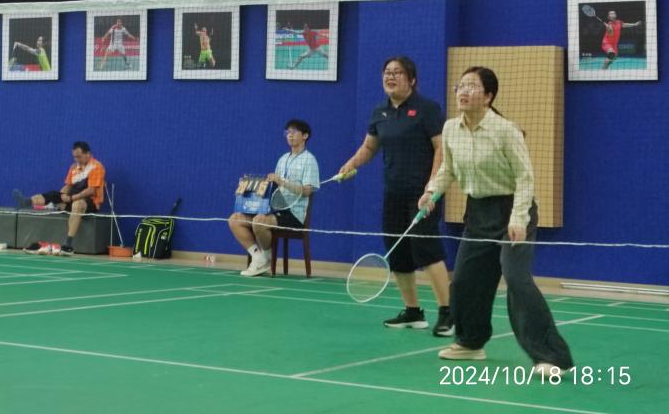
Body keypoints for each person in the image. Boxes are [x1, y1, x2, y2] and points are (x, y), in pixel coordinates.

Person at [419, 66, 573, 378]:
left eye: (472, 86)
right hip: (478, 212)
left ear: (488, 96)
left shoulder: (506, 130)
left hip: (514, 209)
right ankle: (471, 343)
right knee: (465, 280)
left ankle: (552, 357)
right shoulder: (450, 129)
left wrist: (518, 218)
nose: (463, 92)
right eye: (461, 86)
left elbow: (525, 178)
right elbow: (448, 168)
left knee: (516, 278)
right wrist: (432, 192)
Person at [338, 56, 452, 336]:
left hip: (422, 193)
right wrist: (350, 165)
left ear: (412, 79)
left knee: (426, 249)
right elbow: (369, 147)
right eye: (387, 72)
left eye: (397, 72)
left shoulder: (427, 109)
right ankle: (413, 311)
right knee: (397, 252)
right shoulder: (380, 112)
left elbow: (441, 149)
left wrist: (432, 187)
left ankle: (448, 313)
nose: (390, 77)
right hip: (394, 192)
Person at [229, 119, 320, 277]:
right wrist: (249, 188)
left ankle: (265, 259)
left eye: (294, 132)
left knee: (259, 221)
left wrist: (282, 181)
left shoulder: (309, 160)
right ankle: (259, 258)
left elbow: (307, 191)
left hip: (294, 214)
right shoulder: (283, 159)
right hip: (276, 209)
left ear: (305, 136)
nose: (290, 135)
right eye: (287, 132)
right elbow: (274, 188)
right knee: (235, 219)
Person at [13, 141, 105, 255]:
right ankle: (27, 202)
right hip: (72, 198)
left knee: (78, 204)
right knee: (53, 195)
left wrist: (72, 198)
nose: (77, 159)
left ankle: (68, 245)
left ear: (88, 154)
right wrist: (60, 197)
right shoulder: (74, 167)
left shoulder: (96, 167)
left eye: (79, 157)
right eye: (74, 157)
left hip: (90, 203)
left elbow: (91, 190)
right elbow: (68, 186)